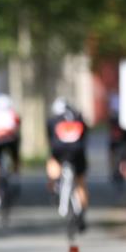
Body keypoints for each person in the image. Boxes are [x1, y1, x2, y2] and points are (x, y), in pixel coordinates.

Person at [46, 97, 88, 230]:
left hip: (59, 152)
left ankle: (55, 186)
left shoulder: (53, 120)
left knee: (52, 162)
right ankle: (82, 213)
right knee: (80, 183)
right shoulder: (78, 118)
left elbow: (50, 139)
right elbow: (85, 136)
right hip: (78, 152)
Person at [107, 93, 126, 185]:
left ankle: (123, 170)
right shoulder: (116, 98)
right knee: (118, 154)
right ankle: (119, 170)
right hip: (117, 136)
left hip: (123, 135)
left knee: (124, 153)